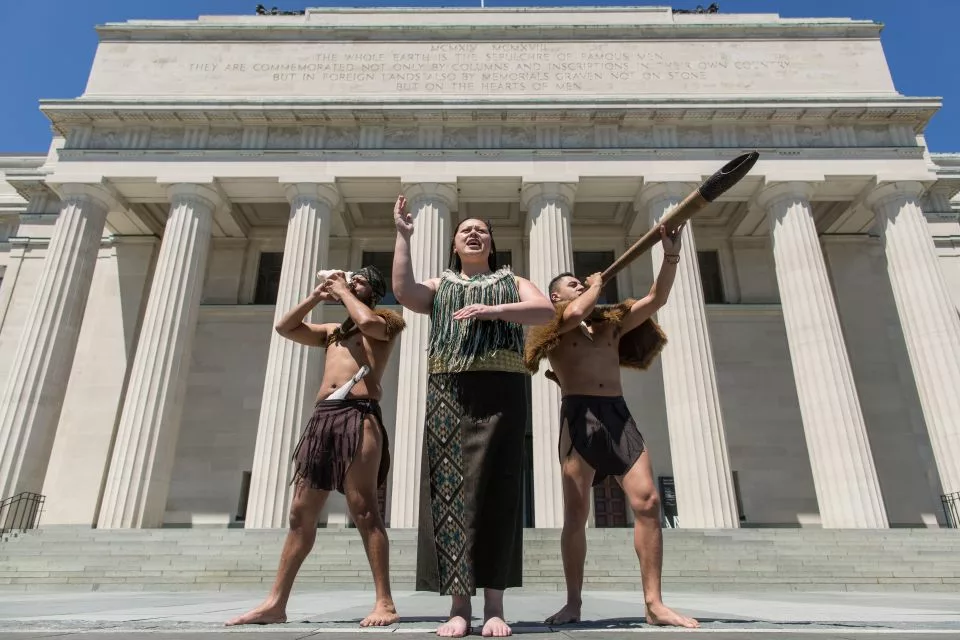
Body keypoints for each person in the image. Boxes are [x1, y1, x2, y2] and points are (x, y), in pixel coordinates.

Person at [392, 194, 555, 638]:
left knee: (500, 493)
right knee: (449, 494)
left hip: (502, 389)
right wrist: (403, 238)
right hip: (449, 389)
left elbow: (546, 310)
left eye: (481, 229)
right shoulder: (441, 285)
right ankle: (459, 606)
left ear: (491, 242)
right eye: (465, 230)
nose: (473, 233)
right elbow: (405, 293)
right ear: (454, 244)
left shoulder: (512, 281)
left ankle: (495, 605)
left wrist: (493, 309)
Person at [523, 225, 699, 629]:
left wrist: (670, 256)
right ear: (556, 295)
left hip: (617, 414)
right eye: (572, 282)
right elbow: (577, 312)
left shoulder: (611, 324)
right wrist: (596, 285)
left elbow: (657, 298)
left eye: (580, 280)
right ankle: (573, 602)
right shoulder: (554, 323)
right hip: (578, 417)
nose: (580, 282)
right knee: (576, 512)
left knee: (648, 502)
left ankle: (654, 604)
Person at [226, 266, 405, 628]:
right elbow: (285, 328)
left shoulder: (385, 323)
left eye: (360, 281)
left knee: (365, 510)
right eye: (350, 279)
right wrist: (315, 297)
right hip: (324, 417)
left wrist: (345, 291)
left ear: (375, 291)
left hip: (360, 415)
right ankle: (276, 603)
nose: (351, 283)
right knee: (299, 513)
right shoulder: (332, 333)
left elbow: (368, 324)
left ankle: (384, 601)